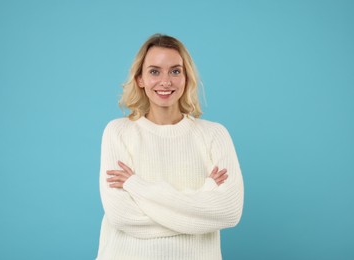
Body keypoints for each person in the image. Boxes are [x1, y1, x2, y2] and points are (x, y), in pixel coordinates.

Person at [96, 33, 244, 260]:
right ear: (140, 79)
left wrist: (136, 186)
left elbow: (229, 212)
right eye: (154, 71)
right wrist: (202, 203)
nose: (166, 81)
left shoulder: (214, 134)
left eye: (175, 71)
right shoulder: (118, 132)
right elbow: (122, 216)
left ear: (186, 77)